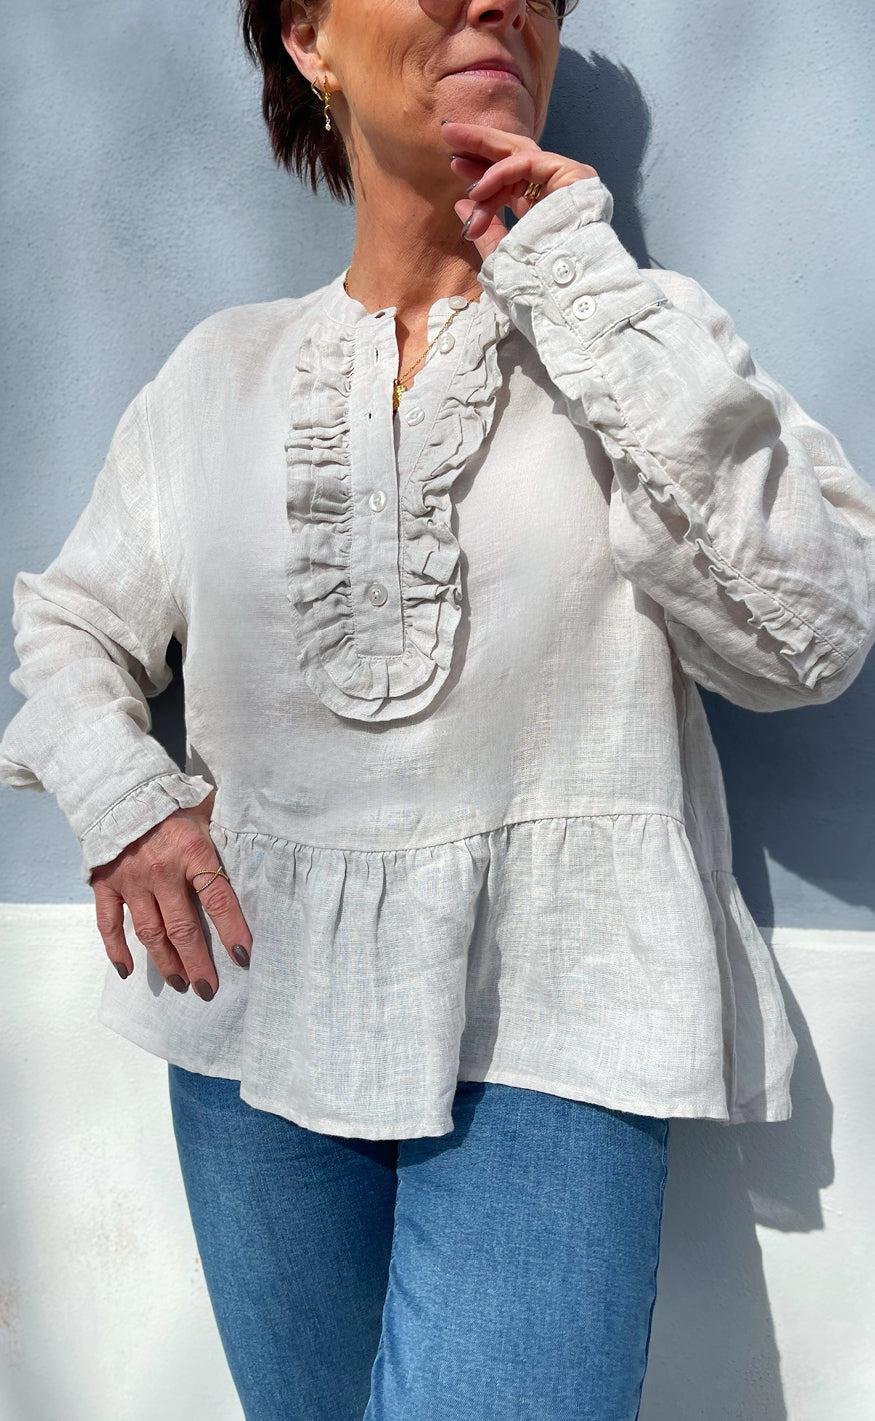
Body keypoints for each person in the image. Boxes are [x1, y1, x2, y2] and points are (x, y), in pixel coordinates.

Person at [2, 0, 874, 1416]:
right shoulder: (218, 374)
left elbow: (808, 635)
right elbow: (71, 621)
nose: (497, 0)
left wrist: (576, 276)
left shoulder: (639, 345)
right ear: (309, 42)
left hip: (557, 1019)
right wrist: (125, 804)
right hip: (249, 1008)